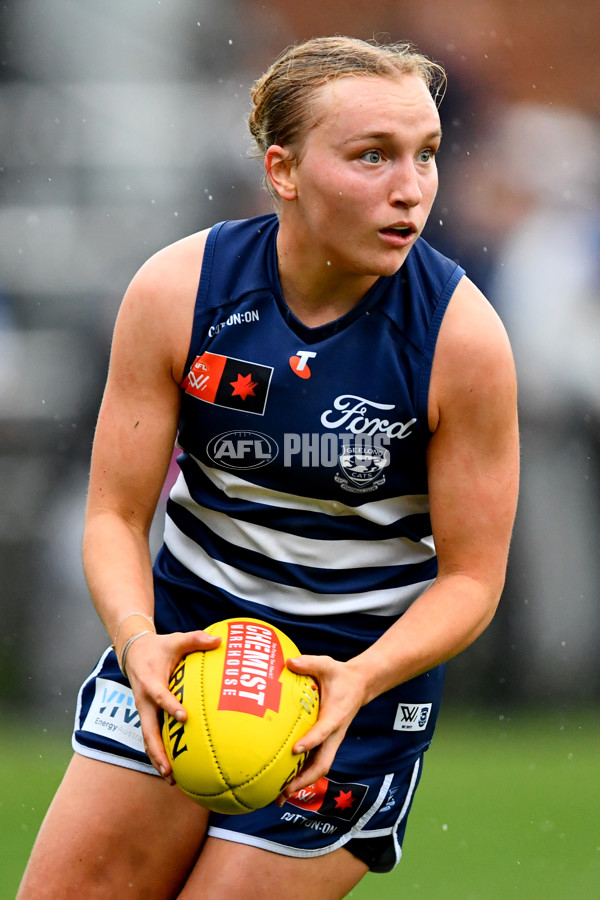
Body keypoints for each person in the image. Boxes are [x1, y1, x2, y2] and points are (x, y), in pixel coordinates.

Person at [18, 36, 519, 900]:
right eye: (373, 156)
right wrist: (137, 641)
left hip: (356, 687)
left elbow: (473, 580)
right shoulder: (180, 293)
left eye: (426, 154)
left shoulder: (461, 340)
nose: (411, 187)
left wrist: (360, 679)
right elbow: (111, 515)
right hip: (187, 654)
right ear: (283, 171)